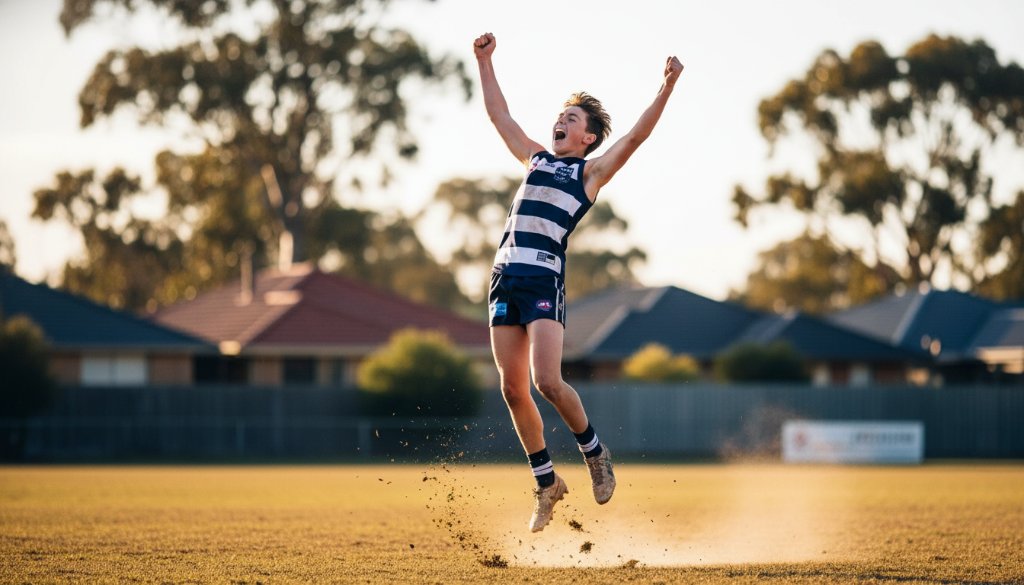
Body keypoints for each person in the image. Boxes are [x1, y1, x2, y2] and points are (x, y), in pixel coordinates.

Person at [473, 32, 684, 532]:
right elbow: (500, 116)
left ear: (589, 137)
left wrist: (666, 87)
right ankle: (547, 483)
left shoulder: (588, 174)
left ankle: (594, 453)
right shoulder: (535, 159)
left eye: (573, 118)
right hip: (505, 278)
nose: (562, 121)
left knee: (547, 381)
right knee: (511, 389)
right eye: (561, 116)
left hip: (544, 280)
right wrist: (483, 61)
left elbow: (635, 137)